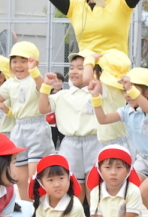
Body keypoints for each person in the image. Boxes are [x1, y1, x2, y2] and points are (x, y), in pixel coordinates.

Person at [89, 68, 148, 215]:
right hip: (143, 160)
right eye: (125, 90)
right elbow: (103, 119)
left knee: (143, 192)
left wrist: (129, 87)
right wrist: (95, 97)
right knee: (126, 191)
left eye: (133, 89)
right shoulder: (126, 111)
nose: (128, 94)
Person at [0, 41, 54, 201]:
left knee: (36, 174)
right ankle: (27, 207)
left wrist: (34, 71)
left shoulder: (35, 79)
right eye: (14, 61)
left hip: (37, 127)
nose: (18, 65)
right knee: (19, 177)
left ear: (34, 62)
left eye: (24, 61)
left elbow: (43, 89)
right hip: (19, 128)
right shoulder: (10, 83)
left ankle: (40, 207)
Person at [39, 51, 99, 205]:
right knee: (74, 188)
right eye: (71, 68)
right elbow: (43, 108)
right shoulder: (63, 95)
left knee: (94, 188)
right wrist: (46, 86)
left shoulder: (97, 93)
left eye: (80, 68)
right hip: (70, 144)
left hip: (94, 142)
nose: (74, 71)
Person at [83, 49, 134, 157]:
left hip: (114, 143)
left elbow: (87, 79)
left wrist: (89, 60)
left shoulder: (108, 87)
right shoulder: (122, 87)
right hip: (123, 139)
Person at [50, 72, 66, 148]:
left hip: (62, 122)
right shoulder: (48, 94)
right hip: (51, 123)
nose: (57, 83)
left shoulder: (66, 94)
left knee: (64, 142)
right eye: (55, 81)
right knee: (52, 142)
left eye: (59, 81)